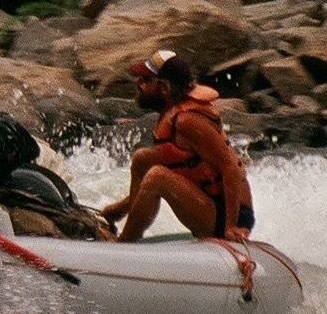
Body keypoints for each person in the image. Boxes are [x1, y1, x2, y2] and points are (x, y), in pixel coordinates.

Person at [100, 49, 255, 243]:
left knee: (157, 177)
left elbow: (231, 167)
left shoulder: (188, 121)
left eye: (146, 80)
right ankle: (121, 215)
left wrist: (231, 227)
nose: (138, 84)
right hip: (210, 203)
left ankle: (124, 243)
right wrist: (113, 210)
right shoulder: (171, 113)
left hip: (229, 216)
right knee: (142, 159)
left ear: (165, 88)